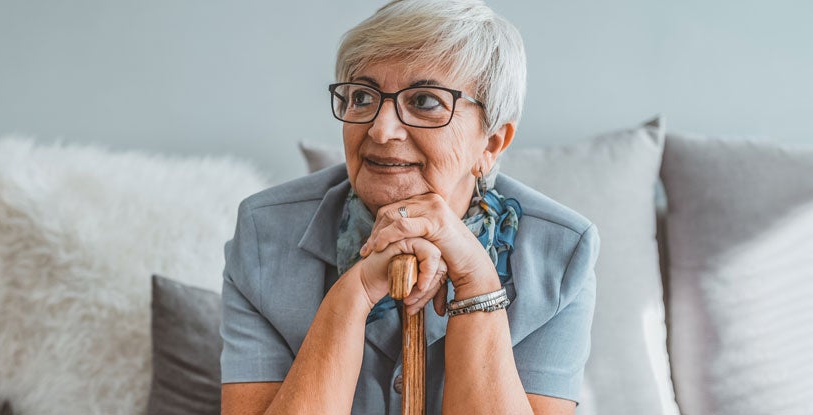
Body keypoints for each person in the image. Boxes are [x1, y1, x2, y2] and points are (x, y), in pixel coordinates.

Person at [219, 0, 598, 413]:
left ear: (490, 143)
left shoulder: (561, 253)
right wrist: (357, 290)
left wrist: (476, 282)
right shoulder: (265, 233)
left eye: (425, 101)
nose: (380, 130)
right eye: (363, 96)